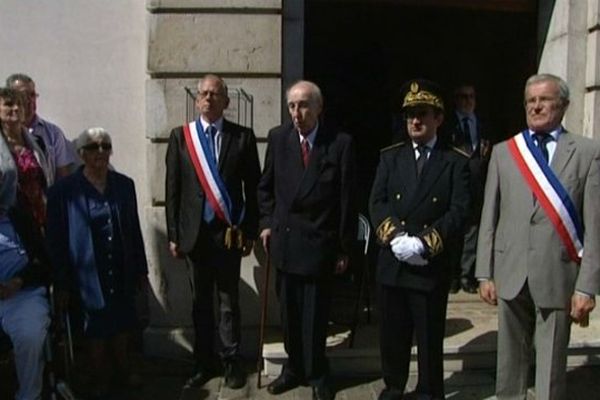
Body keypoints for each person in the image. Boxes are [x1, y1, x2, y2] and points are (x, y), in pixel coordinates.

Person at [476, 73, 600, 399]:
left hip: (558, 272)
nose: (536, 106)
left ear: (564, 105)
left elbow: (595, 226)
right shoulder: (505, 152)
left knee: (551, 364)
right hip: (511, 269)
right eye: (530, 101)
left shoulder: (588, 152)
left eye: (544, 100)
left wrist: (587, 286)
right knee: (509, 361)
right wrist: (484, 272)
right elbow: (489, 216)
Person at [369, 79, 470, 400]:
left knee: (428, 338)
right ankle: (394, 387)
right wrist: (395, 238)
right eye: (410, 114)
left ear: (438, 118)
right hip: (394, 260)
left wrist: (426, 243)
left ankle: (429, 390)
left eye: (423, 114)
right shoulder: (390, 157)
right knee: (393, 336)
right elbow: (376, 202)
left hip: (429, 265)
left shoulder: (455, 160)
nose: (415, 120)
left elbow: (460, 210)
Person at [257, 80, 356, 400]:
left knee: (315, 316)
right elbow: (265, 188)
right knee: (290, 313)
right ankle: (293, 368)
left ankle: (317, 372)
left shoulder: (339, 143)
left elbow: (347, 200)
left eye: (303, 106)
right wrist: (267, 223)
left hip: (320, 244)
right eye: (291, 106)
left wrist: (343, 247)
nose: (296, 113)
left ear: (318, 108)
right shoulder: (278, 138)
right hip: (286, 243)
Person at [165, 74, 261, 390]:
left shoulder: (243, 137)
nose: (209, 99)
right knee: (200, 303)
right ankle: (203, 363)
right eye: (204, 94)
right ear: (197, 100)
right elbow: (173, 190)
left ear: (226, 101)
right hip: (195, 235)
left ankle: (232, 362)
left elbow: (254, 189)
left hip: (229, 235)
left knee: (228, 302)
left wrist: (249, 232)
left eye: (215, 94)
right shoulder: (181, 138)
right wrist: (174, 234)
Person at [46, 128, 148, 399]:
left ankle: (124, 369)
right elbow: (55, 241)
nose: (100, 152)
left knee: (123, 321)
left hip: (121, 265)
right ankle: (99, 376)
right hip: (85, 272)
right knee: (95, 327)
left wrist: (142, 271)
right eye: (93, 147)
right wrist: (62, 281)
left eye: (105, 146)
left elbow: (134, 229)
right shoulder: (63, 191)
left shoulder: (124, 185)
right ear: (81, 154)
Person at [0, 129, 51, 400]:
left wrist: (17, 281)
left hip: (21, 295)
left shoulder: (19, 218)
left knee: (31, 335)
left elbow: (44, 262)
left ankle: (29, 395)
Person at [445, 83, 491, 294]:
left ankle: (466, 275)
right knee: (454, 232)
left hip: (477, 186)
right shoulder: (446, 123)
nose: (467, 101)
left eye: (471, 97)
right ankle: (452, 275)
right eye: (463, 97)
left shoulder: (482, 124)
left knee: (473, 232)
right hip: (453, 187)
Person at [6, 74, 78, 182]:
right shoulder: (3, 134)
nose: (29, 100)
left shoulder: (53, 133)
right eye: (23, 95)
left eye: (32, 95)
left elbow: (63, 177)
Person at [0, 87, 50, 231]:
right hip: (9, 221)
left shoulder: (37, 142)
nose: (15, 108)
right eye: (9, 104)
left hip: (39, 216)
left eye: (19, 104)